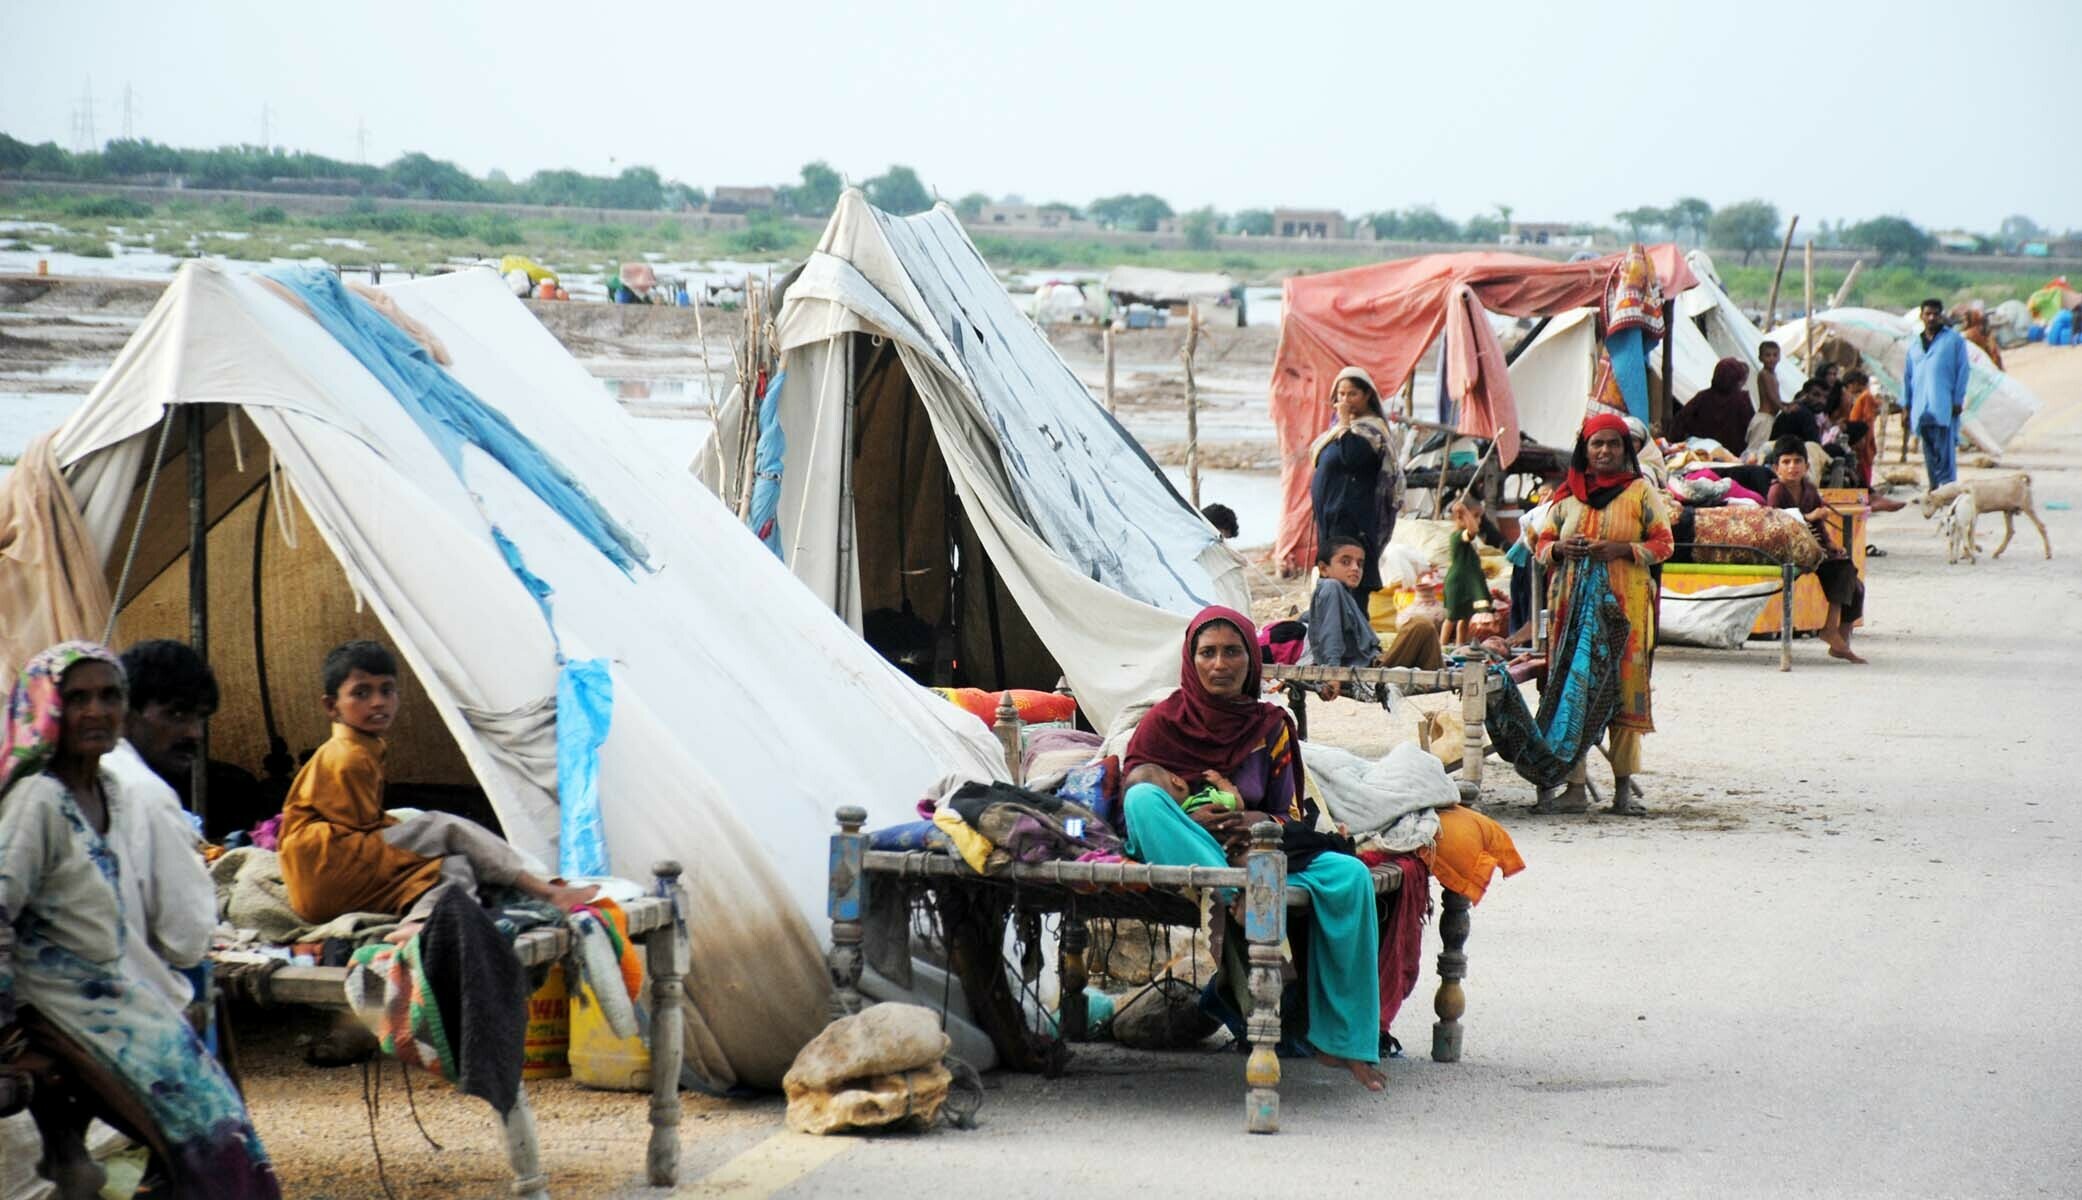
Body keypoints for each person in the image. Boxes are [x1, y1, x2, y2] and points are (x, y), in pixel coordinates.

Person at [0, 643, 279, 1199]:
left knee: (228, 1140)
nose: (96, 712)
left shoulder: (109, 792)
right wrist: (7, 1039)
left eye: (108, 696)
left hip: (117, 997)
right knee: (212, 1145)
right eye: (76, 699)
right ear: (48, 708)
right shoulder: (38, 799)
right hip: (65, 1006)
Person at [1122, 607, 1385, 1090]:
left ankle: (1342, 1040)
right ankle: (1233, 893)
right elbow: (1134, 809)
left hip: (1260, 851)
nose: (1219, 664)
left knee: (1350, 877)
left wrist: (1253, 818)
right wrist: (1188, 817)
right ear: (1190, 659)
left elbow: (1292, 816)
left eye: (1232, 651)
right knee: (1142, 799)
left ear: (1251, 658)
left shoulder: (1271, 725)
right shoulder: (1162, 723)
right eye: (1207, 653)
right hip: (1189, 850)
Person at [277, 640, 597, 944]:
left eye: (386, 690)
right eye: (361, 693)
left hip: (322, 886)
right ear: (332, 706)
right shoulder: (348, 755)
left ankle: (421, 922)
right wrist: (419, 836)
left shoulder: (362, 746)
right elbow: (361, 826)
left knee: (452, 868)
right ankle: (545, 891)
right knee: (444, 827)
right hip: (326, 865)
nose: (377, 702)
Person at [1531, 414, 1673, 815]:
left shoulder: (1641, 491)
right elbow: (1540, 541)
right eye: (1598, 445)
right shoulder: (1566, 495)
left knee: (1625, 693)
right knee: (1576, 692)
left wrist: (1622, 550)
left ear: (1625, 450)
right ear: (1585, 450)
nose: (1605, 451)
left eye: (1613, 444)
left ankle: (1622, 792)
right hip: (1572, 611)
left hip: (1626, 611)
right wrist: (1560, 550)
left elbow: (1664, 543)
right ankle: (1574, 789)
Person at [114, 638, 276, 843]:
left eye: (201, 717)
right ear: (126, 713)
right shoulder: (134, 793)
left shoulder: (153, 795)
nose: (195, 733)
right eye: (177, 714)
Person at [1764, 438, 1867, 664]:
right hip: (1788, 551)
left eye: (1798, 461)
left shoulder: (1809, 489)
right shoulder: (1776, 491)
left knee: (1855, 583)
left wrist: (1831, 546)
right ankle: (1830, 629)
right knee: (1842, 570)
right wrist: (1809, 517)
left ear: (1807, 466)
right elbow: (1776, 524)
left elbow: (1820, 529)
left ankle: (1842, 637)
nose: (1792, 467)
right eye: (1786, 462)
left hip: (1816, 549)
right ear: (1776, 468)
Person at [1309, 367, 1400, 609]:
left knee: (1351, 588)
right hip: (1332, 522)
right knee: (1332, 587)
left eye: (1352, 394)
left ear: (1368, 395)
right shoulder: (1340, 432)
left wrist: (1345, 422)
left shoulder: (1370, 432)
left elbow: (1351, 458)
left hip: (1353, 524)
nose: (1345, 401)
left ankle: (1357, 643)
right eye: (1341, 395)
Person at [1308, 536, 1442, 701]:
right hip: (1368, 672)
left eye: (1360, 564)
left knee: (1420, 627)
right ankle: (1439, 677)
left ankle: (1437, 675)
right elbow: (1330, 632)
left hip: (1375, 663)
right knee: (1420, 625)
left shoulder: (1342, 594)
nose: (1355, 568)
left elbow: (1315, 620)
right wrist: (1331, 673)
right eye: (1345, 562)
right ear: (1323, 569)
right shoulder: (1331, 587)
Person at [1903, 298, 1971, 489]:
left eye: (1935, 314)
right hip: (1920, 404)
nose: (1931, 318)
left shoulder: (1954, 341)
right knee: (1928, 448)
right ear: (1921, 316)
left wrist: (1958, 399)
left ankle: (1948, 486)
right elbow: (1908, 376)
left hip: (1943, 403)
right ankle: (1934, 487)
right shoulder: (1915, 344)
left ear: (1941, 316)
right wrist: (1906, 405)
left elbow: (1963, 370)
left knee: (1945, 448)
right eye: (1928, 314)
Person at [1668, 357, 1755, 453]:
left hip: (1701, 453)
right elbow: (1751, 428)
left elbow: (1679, 422)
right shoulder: (1742, 400)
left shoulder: (1703, 397)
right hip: (1731, 457)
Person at [1440, 496, 1489, 648]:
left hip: (1468, 582)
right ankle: (1441, 646)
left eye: (1479, 517)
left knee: (1466, 616)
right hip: (1458, 583)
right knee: (1452, 617)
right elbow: (1473, 530)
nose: (1478, 521)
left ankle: (1460, 645)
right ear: (1460, 517)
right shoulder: (1458, 536)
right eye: (1475, 516)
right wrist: (1464, 511)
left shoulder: (1468, 539)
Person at [1755, 340, 1786, 416]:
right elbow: (1771, 396)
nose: (1772, 358)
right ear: (1760, 358)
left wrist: (1787, 404)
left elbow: (1776, 397)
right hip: (1765, 415)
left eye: (1775, 355)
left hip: (1771, 416)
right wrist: (1784, 408)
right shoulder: (1764, 374)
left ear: (1779, 357)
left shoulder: (1773, 374)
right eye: (1768, 355)